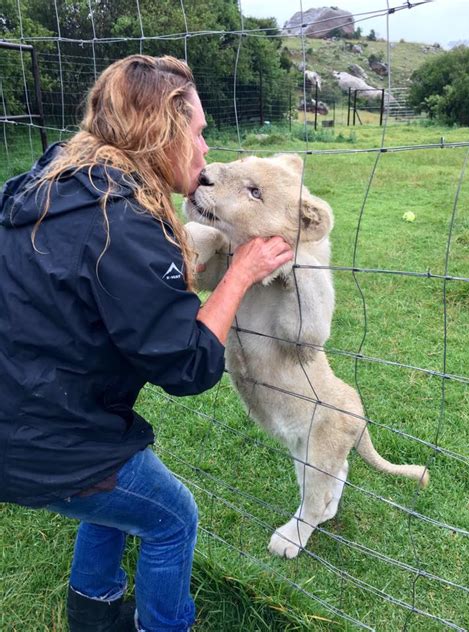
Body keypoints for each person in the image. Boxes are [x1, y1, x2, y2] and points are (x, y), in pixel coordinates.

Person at [0, 55, 293, 632]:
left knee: (119, 484)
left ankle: (94, 609)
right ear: (162, 130)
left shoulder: (53, 178)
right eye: (200, 134)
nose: (207, 152)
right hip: (39, 441)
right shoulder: (124, 223)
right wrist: (238, 274)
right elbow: (187, 366)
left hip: (26, 411)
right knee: (171, 517)